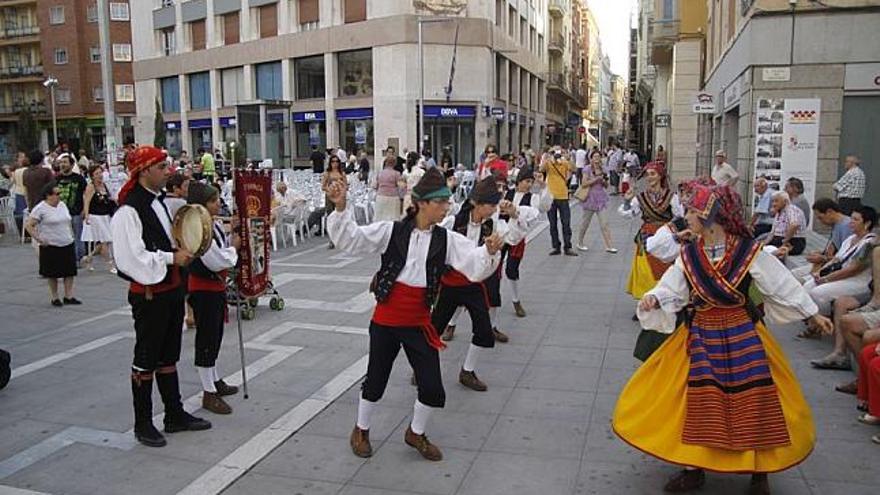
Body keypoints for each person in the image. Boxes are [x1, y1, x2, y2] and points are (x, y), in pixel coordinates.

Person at [615, 184, 833, 494]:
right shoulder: (689, 253)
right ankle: (693, 467)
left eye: (692, 211)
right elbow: (672, 286)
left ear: (710, 216)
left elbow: (780, 284)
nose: (686, 215)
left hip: (742, 334)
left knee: (755, 398)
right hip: (700, 331)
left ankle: (760, 471)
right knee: (695, 400)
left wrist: (812, 313)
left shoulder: (747, 251)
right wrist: (655, 298)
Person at [326, 167, 503, 462]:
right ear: (423, 203)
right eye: (442, 202)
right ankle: (361, 429)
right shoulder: (391, 231)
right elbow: (352, 240)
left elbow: (473, 264)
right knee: (376, 381)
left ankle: (415, 432)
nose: (447, 207)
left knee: (432, 386)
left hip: (419, 322)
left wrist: (489, 251)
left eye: (448, 202)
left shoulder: (446, 239)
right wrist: (342, 207)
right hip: (386, 320)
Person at [111, 146, 211, 448]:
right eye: (161, 166)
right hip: (150, 295)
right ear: (144, 171)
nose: (168, 171)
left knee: (168, 355)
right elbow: (131, 259)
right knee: (146, 358)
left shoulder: (160, 203)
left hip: (170, 291)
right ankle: (143, 423)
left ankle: (174, 414)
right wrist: (171, 258)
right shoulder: (128, 211)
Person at [433, 176, 539, 388]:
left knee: (483, 330)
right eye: (490, 205)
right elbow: (433, 245)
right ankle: (422, 368)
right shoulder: (454, 222)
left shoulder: (494, 225)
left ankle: (467, 371)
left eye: (495, 205)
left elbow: (514, 237)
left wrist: (514, 214)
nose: (493, 209)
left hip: (474, 285)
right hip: (450, 284)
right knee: (433, 331)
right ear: (476, 203)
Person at [185, 183, 240, 415]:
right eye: (213, 200)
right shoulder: (197, 226)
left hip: (213, 286)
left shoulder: (212, 223)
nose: (218, 203)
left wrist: (230, 237)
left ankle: (215, 379)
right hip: (204, 288)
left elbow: (219, 248)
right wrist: (234, 250)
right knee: (207, 338)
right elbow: (215, 260)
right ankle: (208, 392)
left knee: (215, 335)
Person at [621, 161, 683, 300]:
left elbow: (680, 216)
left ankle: (663, 299)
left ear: (660, 176)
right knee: (645, 270)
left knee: (664, 269)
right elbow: (630, 213)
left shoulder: (671, 197)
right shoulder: (641, 197)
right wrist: (626, 201)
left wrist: (671, 231)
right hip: (646, 237)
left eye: (653, 174)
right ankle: (645, 300)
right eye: (648, 174)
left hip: (665, 237)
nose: (650, 177)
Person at [499, 167, 551, 317]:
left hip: (517, 238)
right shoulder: (506, 193)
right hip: (501, 236)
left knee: (512, 270)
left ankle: (516, 300)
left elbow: (542, 208)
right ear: (519, 181)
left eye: (531, 182)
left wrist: (543, 186)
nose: (529, 185)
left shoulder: (532, 198)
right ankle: (491, 297)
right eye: (526, 181)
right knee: (494, 269)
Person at [25, 182, 80, 306]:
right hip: (51, 244)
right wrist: (39, 239)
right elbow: (29, 225)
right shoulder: (40, 208)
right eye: (57, 194)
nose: (59, 196)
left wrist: (71, 235)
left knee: (69, 271)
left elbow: (67, 221)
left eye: (59, 193)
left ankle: (68, 295)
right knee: (52, 273)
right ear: (48, 195)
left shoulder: (62, 205)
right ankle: (55, 297)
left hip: (66, 241)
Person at [576, 150, 617, 253]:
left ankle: (609, 245)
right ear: (591, 158)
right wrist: (595, 179)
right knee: (585, 223)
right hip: (589, 198)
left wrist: (603, 181)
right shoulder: (587, 169)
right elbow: (584, 183)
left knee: (604, 223)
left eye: (598, 156)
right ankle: (580, 242)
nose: (597, 159)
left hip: (600, 198)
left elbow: (607, 185)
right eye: (595, 157)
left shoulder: (603, 169)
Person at [541, 150, 578, 256]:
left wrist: (568, 158)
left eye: (558, 154)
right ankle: (556, 246)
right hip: (551, 196)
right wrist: (547, 158)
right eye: (555, 153)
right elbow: (541, 169)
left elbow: (574, 169)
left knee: (566, 223)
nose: (556, 156)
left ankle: (568, 247)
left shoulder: (564, 163)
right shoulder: (549, 163)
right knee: (552, 224)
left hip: (563, 196)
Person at [81, 164, 117, 273]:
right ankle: (110, 264)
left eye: (100, 172)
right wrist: (86, 215)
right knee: (104, 240)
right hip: (96, 216)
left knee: (105, 241)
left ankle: (88, 258)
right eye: (96, 174)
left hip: (106, 215)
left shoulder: (104, 186)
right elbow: (86, 202)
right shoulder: (91, 187)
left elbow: (109, 199)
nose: (99, 175)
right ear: (92, 176)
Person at [55, 153, 88, 262]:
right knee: (65, 236)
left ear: (72, 164)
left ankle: (77, 258)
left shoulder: (79, 179)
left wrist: (84, 209)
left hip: (76, 212)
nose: (62, 165)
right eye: (61, 163)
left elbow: (85, 194)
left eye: (65, 162)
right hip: (61, 213)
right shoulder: (57, 179)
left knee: (77, 236)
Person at [804, 198, 852, 270]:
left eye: (820, 218)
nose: (820, 221)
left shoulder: (846, 226)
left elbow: (847, 257)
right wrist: (821, 254)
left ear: (830, 212)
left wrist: (823, 259)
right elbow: (832, 250)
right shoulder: (836, 225)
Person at [767, 191, 807, 257]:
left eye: (776, 201)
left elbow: (794, 225)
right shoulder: (780, 211)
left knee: (770, 251)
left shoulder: (791, 209)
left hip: (793, 241)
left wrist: (785, 241)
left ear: (785, 201)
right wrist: (765, 243)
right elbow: (773, 232)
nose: (773, 204)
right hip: (780, 239)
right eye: (773, 201)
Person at [373, 157, 403, 222]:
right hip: (393, 197)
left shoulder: (380, 173)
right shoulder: (397, 174)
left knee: (380, 218)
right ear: (394, 164)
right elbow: (401, 187)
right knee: (393, 218)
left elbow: (375, 186)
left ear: (385, 163)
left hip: (381, 196)